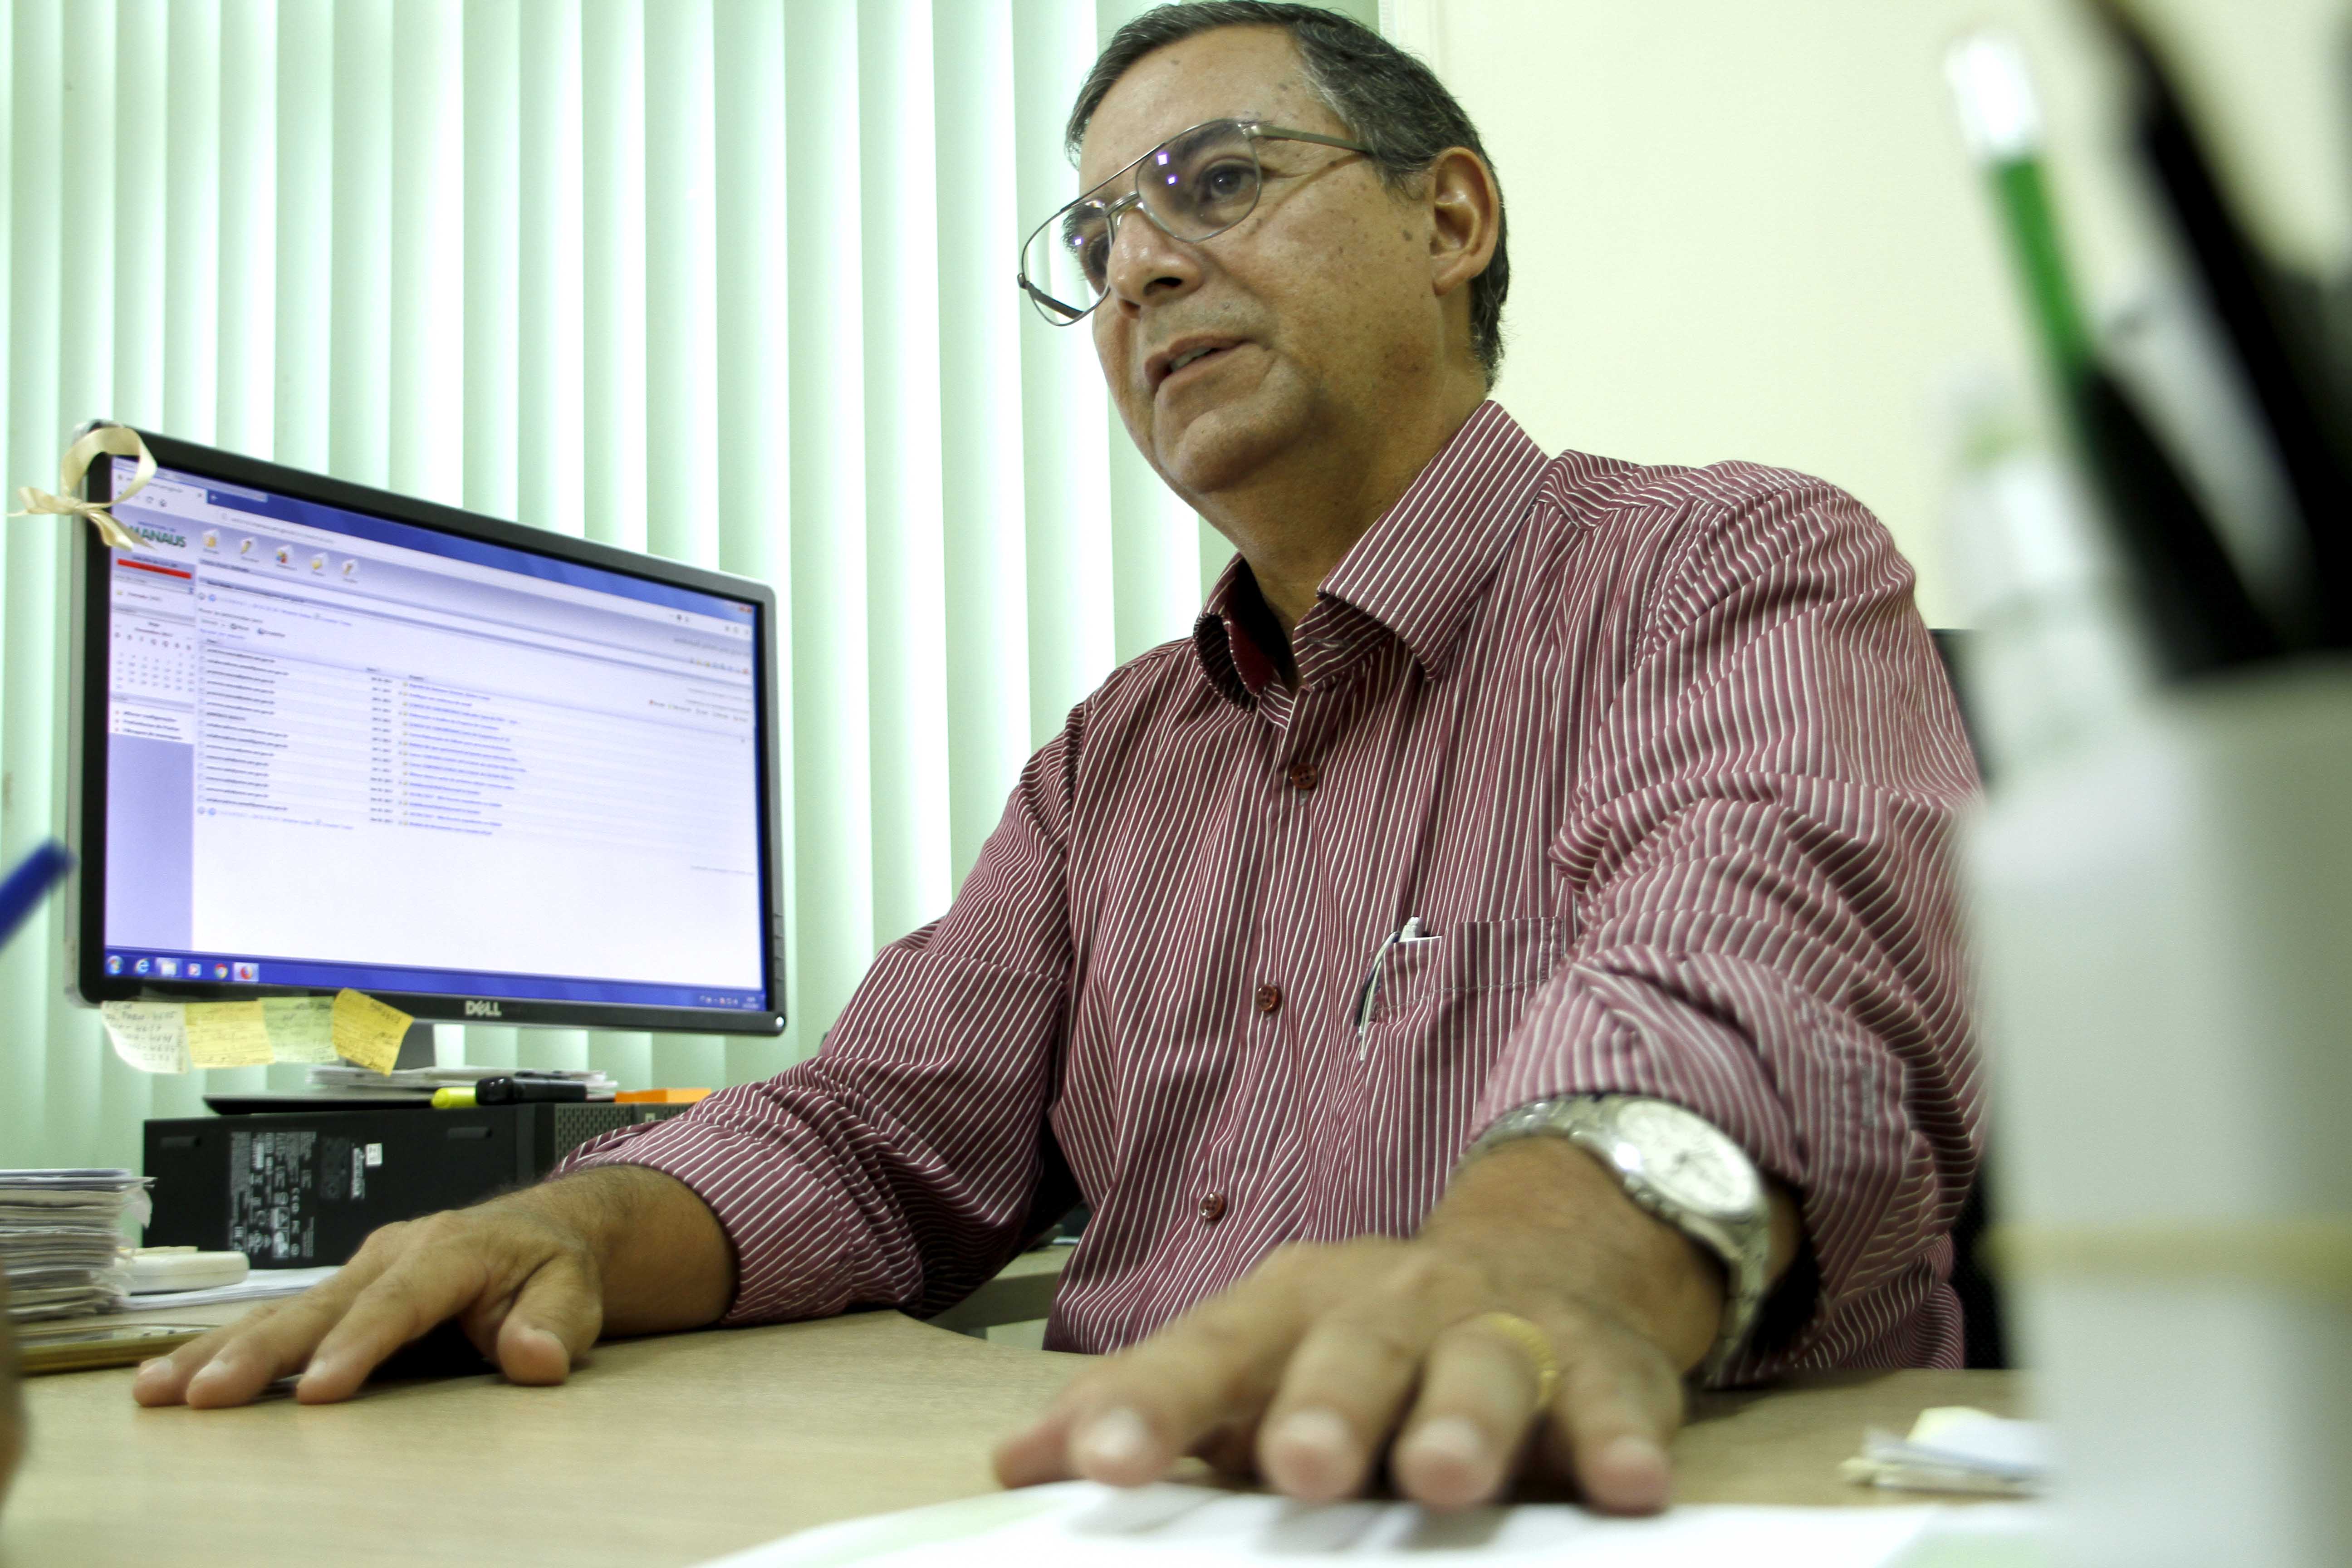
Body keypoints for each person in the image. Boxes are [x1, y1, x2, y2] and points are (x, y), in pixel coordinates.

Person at [134, 1, 1980, 1517]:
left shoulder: (1727, 565)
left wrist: (1545, 1265)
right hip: (1117, 1512)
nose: (1143, 271)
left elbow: (1762, 976)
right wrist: (577, 1229)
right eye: (1098, 246)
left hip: (1612, 1503)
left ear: (1450, 222)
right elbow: (877, 1139)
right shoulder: (1117, 759)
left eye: (1220, 183)